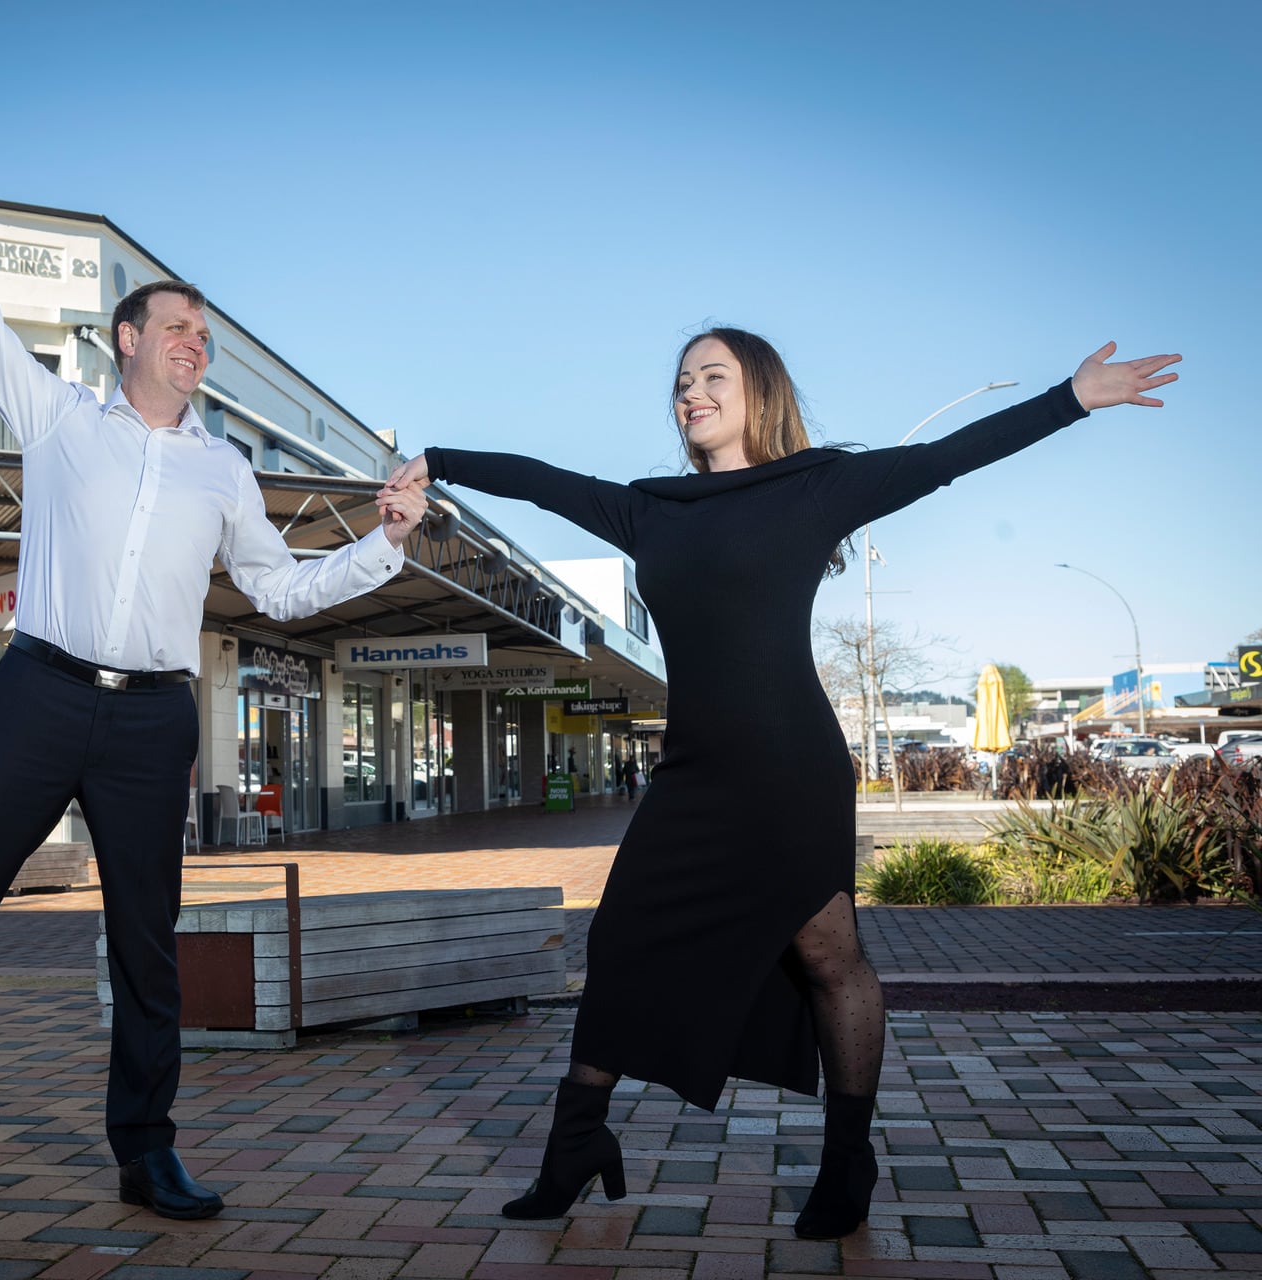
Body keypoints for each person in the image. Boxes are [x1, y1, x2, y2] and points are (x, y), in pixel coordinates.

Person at [383, 330, 1178, 1236]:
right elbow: (541, 479)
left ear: (758, 391)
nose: (690, 394)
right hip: (693, 776)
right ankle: (577, 1143)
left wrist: (1070, 397)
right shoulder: (654, 510)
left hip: (791, 770)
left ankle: (848, 1162)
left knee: (827, 955)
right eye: (682, 382)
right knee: (621, 940)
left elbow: (948, 457)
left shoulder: (816, 488)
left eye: (711, 377)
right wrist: (438, 461)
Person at [0, 92, 429, 1226]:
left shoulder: (225, 473)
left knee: (149, 941)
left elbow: (282, 588)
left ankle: (147, 1151)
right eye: (177, 326)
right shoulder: (57, 417)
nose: (196, 342)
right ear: (128, 340)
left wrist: (383, 543)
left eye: (206, 333)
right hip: (40, 690)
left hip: (152, 720)